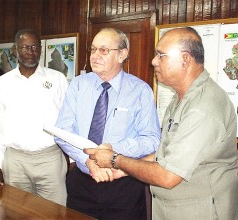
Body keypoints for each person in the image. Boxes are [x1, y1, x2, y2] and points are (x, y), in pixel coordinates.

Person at [84, 27, 238, 220]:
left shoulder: (203, 108)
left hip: (202, 212)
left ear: (185, 60)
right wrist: (122, 171)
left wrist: (114, 160)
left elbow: (167, 175)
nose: (153, 61)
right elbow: (164, 153)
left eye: (161, 55)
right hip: (175, 209)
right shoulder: (182, 98)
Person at [55, 27, 161, 219]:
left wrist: (111, 151)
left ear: (122, 55)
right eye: (93, 49)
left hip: (123, 185)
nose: (95, 56)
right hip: (82, 182)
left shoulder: (140, 91)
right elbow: (62, 132)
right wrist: (88, 160)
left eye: (103, 50)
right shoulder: (78, 85)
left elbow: (152, 139)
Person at [0, 29, 69, 206]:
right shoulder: (3, 83)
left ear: (41, 50)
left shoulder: (58, 79)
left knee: (54, 212)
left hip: (50, 159)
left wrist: (73, 158)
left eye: (35, 47)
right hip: (15, 161)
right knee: (16, 212)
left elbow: (68, 120)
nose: (30, 52)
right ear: (15, 50)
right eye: (25, 47)